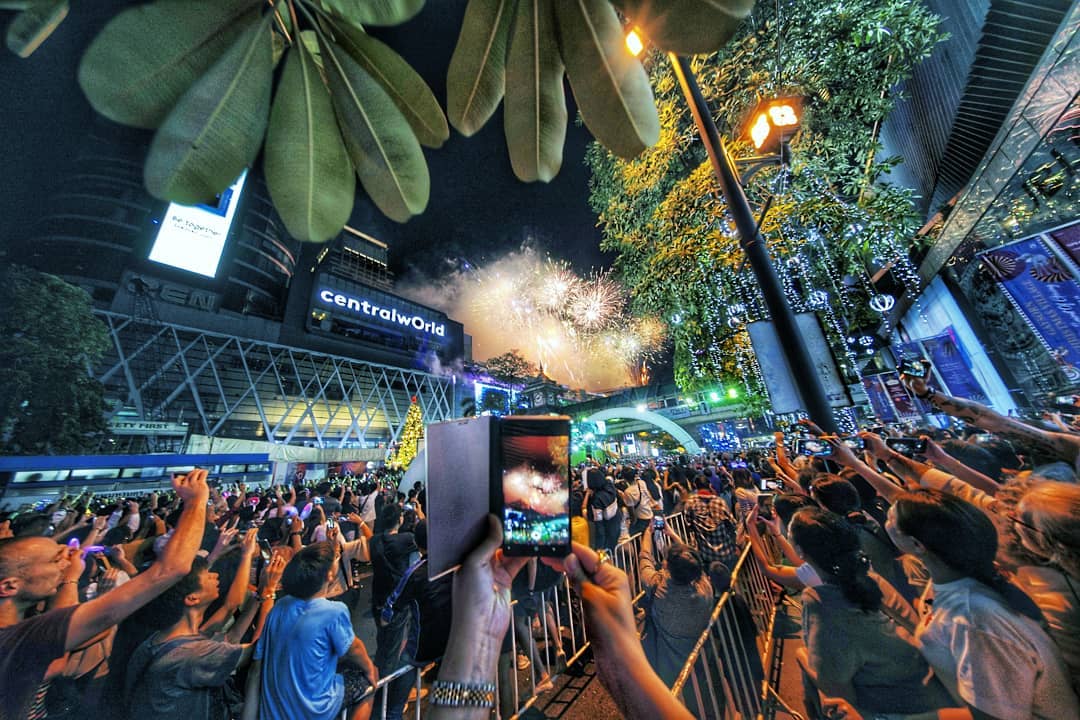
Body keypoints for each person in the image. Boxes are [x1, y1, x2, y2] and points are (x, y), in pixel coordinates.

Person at [0, 469, 210, 720]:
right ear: (9, 586)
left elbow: (64, 631)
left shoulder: (25, 633)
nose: (69, 555)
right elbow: (171, 569)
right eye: (56, 558)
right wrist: (195, 502)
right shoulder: (17, 639)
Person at [886, 488, 1080, 719]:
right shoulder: (957, 579)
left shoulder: (975, 619)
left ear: (918, 545)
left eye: (890, 518)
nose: (885, 521)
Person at [787, 508, 954, 718]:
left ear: (800, 551)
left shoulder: (821, 601)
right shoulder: (870, 579)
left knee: (802, 655)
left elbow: (836, 689)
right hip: (930, 691)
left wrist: (803, 658)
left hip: (898, 711)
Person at [124, 551, 285, 720]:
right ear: (192, 598)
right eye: (207, 575)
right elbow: (259, 649)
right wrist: (270, 590)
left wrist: (260, 595)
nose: (215, 575)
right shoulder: (190, 654)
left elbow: (231, 637)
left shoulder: (164, 639)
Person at [244, 542, 377, 720]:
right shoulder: (334, 611)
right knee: (366, 684)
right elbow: (355, 649)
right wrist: (369, 668)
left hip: (275, 711)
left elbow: (257, 667)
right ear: (330, 575)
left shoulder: (280, 607)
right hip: (314, 709)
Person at [638, 523, 712, 686]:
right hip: (698, 654)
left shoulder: (657, 586)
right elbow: (693, 564)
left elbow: (645, 558)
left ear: (667, 566)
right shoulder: (705, 588)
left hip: (667, 658)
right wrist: (673, 535)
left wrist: (647, 534)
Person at [367, 504, 419, 720]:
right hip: (396, 603)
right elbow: (424, 536)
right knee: (393, 652)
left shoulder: (375, 541)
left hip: (379, 603)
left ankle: (382, 692)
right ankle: (383, 706)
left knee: (384, 647)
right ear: (399, 519)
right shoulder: (404, 539)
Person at [683, 474, 740, 571]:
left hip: (705, 554)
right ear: (709, 485)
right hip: (726, 553)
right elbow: (733, 524)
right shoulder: (719, 502)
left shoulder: (690, 503)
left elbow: (688, 525)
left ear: (695, 486)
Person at [582, 467, 620, 553]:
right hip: (616, 522)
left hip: (607, 529)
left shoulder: (597, 499)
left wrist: (599, 548)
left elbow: (599, 527)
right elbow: (610, 476)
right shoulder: (609, 484)